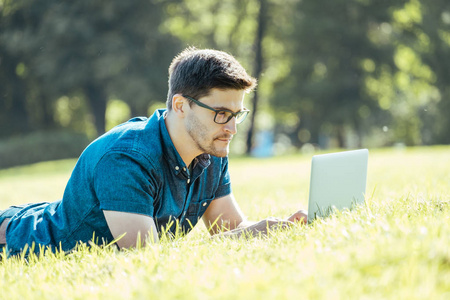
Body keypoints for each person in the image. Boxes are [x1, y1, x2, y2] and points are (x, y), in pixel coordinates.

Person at [0, 47, 307, 257]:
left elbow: (229, 229)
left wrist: (276, 227)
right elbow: (148, 257)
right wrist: (247, 236)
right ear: (180, 105)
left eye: (236, 114)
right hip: (15, 242)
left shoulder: (211, 149)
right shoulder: (126, 157)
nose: (232, 128)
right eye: (221, 113)